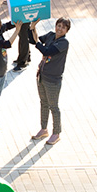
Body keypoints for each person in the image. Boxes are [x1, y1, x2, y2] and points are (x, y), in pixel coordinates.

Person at [29, 17, 71, 145]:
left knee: (53, 106)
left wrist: (36, 41)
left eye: (63, 27)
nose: (60, 29)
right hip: (42, 76)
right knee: (43, 103)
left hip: (53, 80)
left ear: (67, 30)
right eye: (59, 25)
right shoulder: (51, 35)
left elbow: (47, 51)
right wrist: (32, 28)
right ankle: (44, 129)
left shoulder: (64, 43)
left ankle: (56, 133)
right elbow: (33, 40)